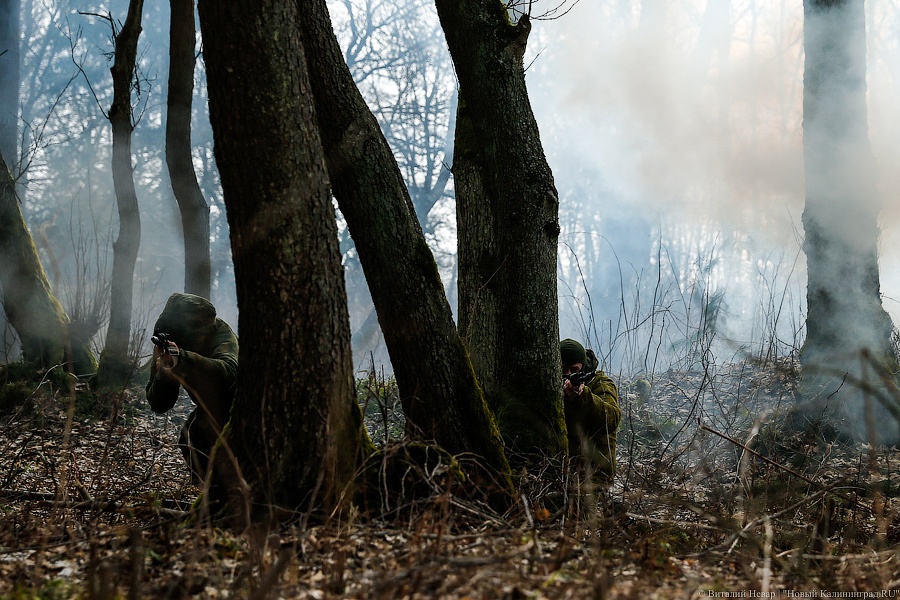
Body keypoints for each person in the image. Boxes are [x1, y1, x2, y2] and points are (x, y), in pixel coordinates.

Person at [146, 293, 238, 482]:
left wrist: (183, 359)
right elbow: (159, 403)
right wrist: (166, 375)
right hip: (210, 406)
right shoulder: (167, 342)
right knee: (190, 438)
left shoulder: (221, 334)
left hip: (238, 402)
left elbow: (230, 371)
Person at [560, 338, 621, 482]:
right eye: (563, 369)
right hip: (561, 470)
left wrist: (584, 397)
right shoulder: (552, 382)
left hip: (595, 474)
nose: (568, 374)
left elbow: (611, 419)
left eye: (574, 370)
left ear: (583, 366)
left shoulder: (599, 383)